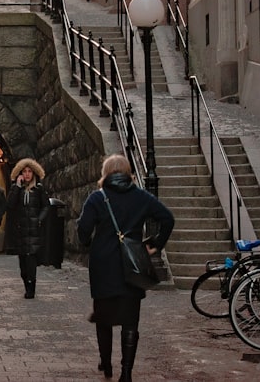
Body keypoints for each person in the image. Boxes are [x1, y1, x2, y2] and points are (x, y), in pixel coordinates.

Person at [75, 154, 174, 382]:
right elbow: (167, 219)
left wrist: (90, 241)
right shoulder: (141, 197)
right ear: (128, 172)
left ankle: (106, 364)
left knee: (103, 317)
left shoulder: (97, 198)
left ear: (105, 173)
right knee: (130, 320)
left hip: (103, 266)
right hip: (133, 264)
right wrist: (154, 244)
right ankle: (126, 372)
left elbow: (83, 232)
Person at [6, 158, 50, 298]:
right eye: (24, 171)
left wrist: (39, 219)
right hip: (20, 232)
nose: (27, 174)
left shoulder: (38, 189)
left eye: (29, 171)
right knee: (23, 266)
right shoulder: (16, 189)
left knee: (31, 261)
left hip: (34, 231)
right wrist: (17, 186)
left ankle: (31, 290)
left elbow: (45, 206)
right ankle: (27, 284)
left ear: (34, 173)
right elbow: (10, 205)